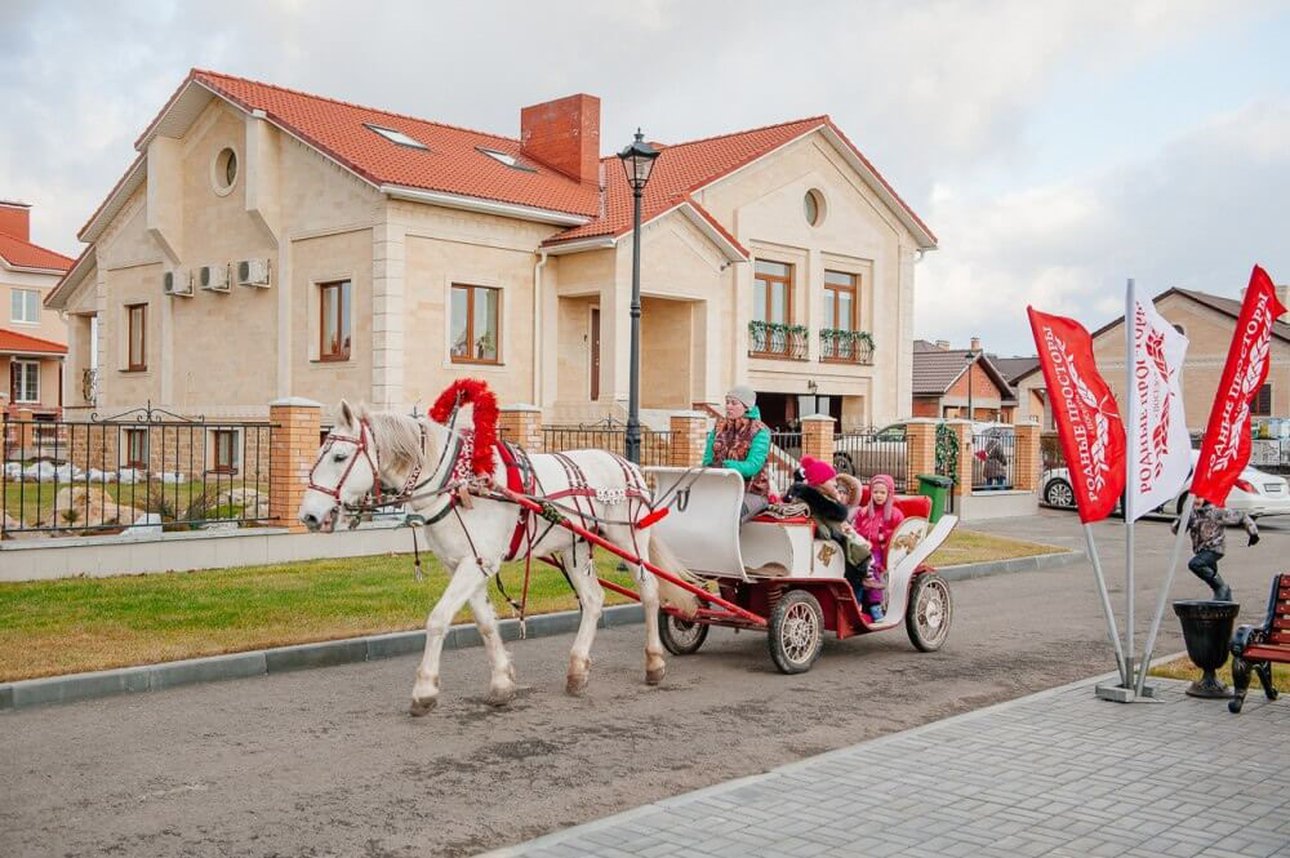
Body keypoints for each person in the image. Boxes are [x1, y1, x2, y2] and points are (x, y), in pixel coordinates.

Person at [783, 456, 871, 590]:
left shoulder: (824, 499)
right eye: (831, 480)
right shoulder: (816, 502)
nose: (835, 484)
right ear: (821, 483)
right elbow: (820, 523)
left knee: (860, 548)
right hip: (829, 542)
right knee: (855, 554)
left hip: (834, 536)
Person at [703, 385, 772, 522]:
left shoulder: (760, 431)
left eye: (734, 403)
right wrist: (709, 466)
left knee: (731, 513)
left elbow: (753, 466)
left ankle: (730, 543)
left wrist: (725, 466)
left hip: (753, 493)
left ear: (747, 407)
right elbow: (707, 459)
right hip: (722, 489)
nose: (729, 406)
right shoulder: (719, 427)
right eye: (727, 402)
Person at [1170, 498, 1259, 601]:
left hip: (1215, 548)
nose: (1196, 500)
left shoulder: (1217, 512)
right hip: (1200, 550)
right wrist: (1181, 520)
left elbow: (1242, 516)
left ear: (1206, 499)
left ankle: (1221, 589)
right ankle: (1226, 600)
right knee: (1212, 573)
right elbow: (1177, 530)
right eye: (1194, 497)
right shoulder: (1191, 514)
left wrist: (1253, 533)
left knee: (1195, 564)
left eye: (1199, 498)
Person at [852, 474, 905, 621]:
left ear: (889, 493)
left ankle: (875, 607)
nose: (879, 496)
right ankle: (856, 604)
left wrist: (884, 535)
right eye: (875, 492)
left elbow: (899, 535)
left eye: (882, 493)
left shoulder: (895, 514)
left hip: (880, 551)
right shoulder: (863, 512)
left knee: (871, 570)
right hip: (862, 550)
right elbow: (855, 529)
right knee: (854, 571)